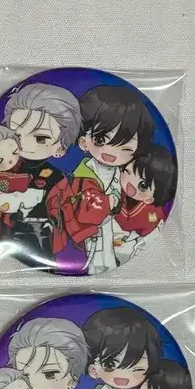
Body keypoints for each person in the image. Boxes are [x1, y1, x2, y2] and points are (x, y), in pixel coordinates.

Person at [53, 86, 154, 273]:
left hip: (109, 227)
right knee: (97, 257)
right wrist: (109, 201)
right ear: (84, 142)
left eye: (125, 147)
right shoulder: (83, 175)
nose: (111, 152)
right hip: (86, 231)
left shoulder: (123, 173)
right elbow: (83, 209)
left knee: (108, 253)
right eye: (101, 140)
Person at [0, 83, 81, 265]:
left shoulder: (56, 177)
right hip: (12, 230)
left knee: (44, 259)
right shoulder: (8, 168)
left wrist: (77, 234)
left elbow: (67, 210)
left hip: (43, 232)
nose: (25, 144)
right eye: (17, 135)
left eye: (41, 138)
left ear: (60, 149)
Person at [113, 144, 177, 264]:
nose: (130, 183)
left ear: (150, 199)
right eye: (127, 171)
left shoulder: (152, 215)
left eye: (142, 185)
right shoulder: (115, 189)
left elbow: (147, 241)